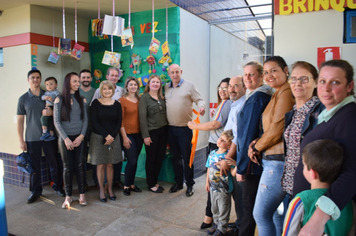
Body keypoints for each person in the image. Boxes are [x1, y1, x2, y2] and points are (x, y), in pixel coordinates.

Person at [293, 59, 356, 236]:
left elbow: (352, 172)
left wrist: (317, 220)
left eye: (335, 82)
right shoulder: (332, 114)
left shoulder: (350, 119)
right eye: (322, 81)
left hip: (327, 221)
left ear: (349, 86)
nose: (326, 88)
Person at [248, 56, 295, 236]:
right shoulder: (277, 92)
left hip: (277, 161)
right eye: (266, 72)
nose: (269, 75)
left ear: (285, 70)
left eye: (273, 70)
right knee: (276, 214)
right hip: (272, 159)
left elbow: (277, 128)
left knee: (260, 214)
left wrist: (255, 147)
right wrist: (257, 143)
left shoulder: (286, 91)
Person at [225, 61, 273, 236]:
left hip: (252, 163)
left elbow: (247, 134)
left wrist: (242, 167)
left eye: (252, 74)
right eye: (245, 74)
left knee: (248, 205)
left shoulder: (256, 98)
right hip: (256, 160)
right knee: (251, 206)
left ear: (261, 77)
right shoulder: (258, 95)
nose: (248, 78)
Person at [282, 139, 353, 236]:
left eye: (303, 165)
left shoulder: (300, 201)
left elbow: (288, 234)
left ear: (312, 173)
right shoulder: (349, 202)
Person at [188, 77, 231, 229]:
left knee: (217, 186)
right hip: (217, 146)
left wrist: (195, 125)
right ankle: (211, 217)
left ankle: (215, 221)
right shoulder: (224, 104)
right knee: (213, 185)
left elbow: (215, 124)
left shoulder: (227, 103)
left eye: (226, 87)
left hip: (218, 148)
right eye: (220, 87)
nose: (222, 90)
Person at [17, 69, 64, 204]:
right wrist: (21, 140)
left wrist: (52, 112)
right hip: (31, 138)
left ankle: (58, 187)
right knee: (34, 166)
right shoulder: (23, 99)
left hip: (49, 136)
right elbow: (20, 121)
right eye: (33, 78)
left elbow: (61, 112)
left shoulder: (49, 94)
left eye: (38, 77)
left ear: (41, 79)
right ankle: (35, 191)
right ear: (28, 80)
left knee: (54, 162)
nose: (35, 80)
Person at [281, 61, 324, 197]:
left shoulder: (320, 110)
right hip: (290, 184)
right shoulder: (293, 112)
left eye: (304, 79)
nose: (297, 83)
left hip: (310, 185)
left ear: (316, 82)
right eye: (293, 79)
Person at [165, 64, 206, 197]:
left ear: (181, 72)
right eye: (172, 72)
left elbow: (199, 100)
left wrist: (201, 107)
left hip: (185, 129)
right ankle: (178, 182)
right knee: (176, 157)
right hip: (170, 129)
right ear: (169, 73)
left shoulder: (189, 85)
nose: (175, 74)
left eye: (177, 72)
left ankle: (189, 184)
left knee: (188, 158)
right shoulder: (166, 87)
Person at [216, 75, 247, 236]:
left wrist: (226, 158)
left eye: (236, 86)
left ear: (244, 88)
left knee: (240, 196)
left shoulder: (242, 106)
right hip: (231, 154)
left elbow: (237, 136)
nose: (232, 89)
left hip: (236, 157)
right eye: (230, 86)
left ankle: (241, 228)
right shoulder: (234, 104)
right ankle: (238, 223)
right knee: (236, 195)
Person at [53, 72, 88, 209]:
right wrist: (65, 139)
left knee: (80, 166)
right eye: (74, 81)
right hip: (65, 139)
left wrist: (81, 136)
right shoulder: (59, 100)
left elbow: (85, 120)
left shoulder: (82, 99)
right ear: (68, 82)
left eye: (78, 81)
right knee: (67, 167)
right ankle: (68, 196)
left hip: (79, 137)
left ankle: (82, 195)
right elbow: (56, 122)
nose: (77, 84)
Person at [88, 80, 123, 202]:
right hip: (98, 137)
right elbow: (94, 122)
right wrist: (105, 135)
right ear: (100, 91)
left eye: (109, 89)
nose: (107, 91)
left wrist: (111, 136)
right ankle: (102, 190)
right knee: (100, 165)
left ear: (112, 90)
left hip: (113, 138)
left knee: (110, 165)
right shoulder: (95, 104)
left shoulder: (117, 104)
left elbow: (119, 122)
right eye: (104, 89)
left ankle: (110, 189)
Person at [139, 75, 168, 193]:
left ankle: (155, 181)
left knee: (160, 157)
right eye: (153, 82)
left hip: (164, 131)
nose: (155, 84)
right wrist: (145, 135)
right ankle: (151, 184)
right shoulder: (144, 98)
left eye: (158, 82)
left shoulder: (162, 97)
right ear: (149, 84)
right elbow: (142, 118)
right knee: (151, 158)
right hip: (151, 132)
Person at [205, 130, 236, 236]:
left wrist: (236, 165)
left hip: (224, 190)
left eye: (224, 140)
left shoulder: (228, 157)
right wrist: (207, 182)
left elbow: (233, 173)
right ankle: (216, 224)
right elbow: (209, 168)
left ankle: (221, 229)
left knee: (223, 208)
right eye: (220, 138)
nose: (220, 140)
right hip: (213, 188)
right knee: (214, 208)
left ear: (229, 146)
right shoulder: (212, 153)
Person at [120, 77, 143, 196]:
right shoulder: (122, 101)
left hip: (139, 135)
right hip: (128, 135)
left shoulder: (140, 100)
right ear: (127, 87)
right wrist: (124, 138)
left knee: (135, 160)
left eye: (135, 84)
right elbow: (121, 121)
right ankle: (126, 185)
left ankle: (132, 184)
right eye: (131, 84)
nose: (133, 86)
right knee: (132, 160)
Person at [79, 69, 97, 189]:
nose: (86, 79)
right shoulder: (75, 92)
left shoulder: (96, 92)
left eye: (88, 77)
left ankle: (97, 181)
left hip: (94, 129)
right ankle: (83, 182)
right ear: (80, 79)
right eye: (83, 77)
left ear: (91, 79)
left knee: (95, 156)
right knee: (81, 157)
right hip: (79, 130)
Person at [39, 77, 60, 141]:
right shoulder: (46, 93)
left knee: (43, 118)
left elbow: (60, 101)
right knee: (50, 121)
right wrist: (44, 97)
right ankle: (51, 134)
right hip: (47, 107)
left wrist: (52, 100)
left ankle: (45, 132)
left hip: (53, 107)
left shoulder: (57, 93)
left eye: (51, 84)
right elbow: (42, 97)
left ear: (56, 85)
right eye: (47, 84)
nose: (49, 86)